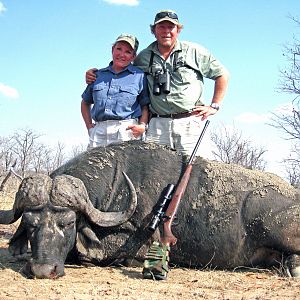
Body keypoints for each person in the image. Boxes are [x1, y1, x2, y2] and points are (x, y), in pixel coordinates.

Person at [86, 10, 229, 156]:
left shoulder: (194, 51)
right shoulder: (143, 57)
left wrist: (214, 105)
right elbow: (121, 69)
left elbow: (222, 74)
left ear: (178, 30)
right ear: (154, 30)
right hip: (157, 126)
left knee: (195, 172)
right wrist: (94, 74)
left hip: (190, 123)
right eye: (161, 27)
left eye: (171, 27)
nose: (166, 31)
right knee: (152, 173)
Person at [81, 33, 150, 148]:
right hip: (99, 133)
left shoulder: (139, 76)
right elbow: (85, 103)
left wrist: (142, 125)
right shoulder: (97, 75)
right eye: (119, 49)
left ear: (133, 56)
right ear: (113, 49)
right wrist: (89, 127)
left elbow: (145, 106)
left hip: (127, 131)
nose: (122, 54)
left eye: (128, 52)